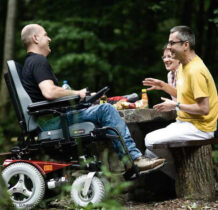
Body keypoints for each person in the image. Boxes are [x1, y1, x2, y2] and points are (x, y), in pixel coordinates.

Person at [20, 23, 165, 173]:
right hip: (53, 122)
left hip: (49, 120)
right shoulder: (38, 61)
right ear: (36, 38)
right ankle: (133, 159)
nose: (49, 39)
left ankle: (127, 162)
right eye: (45, 35)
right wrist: (77, 93)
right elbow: (49, 92)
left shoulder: (30, 63)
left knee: (97, 106)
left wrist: (84, 98)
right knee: (106, 109)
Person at [143, 25, 218, 178]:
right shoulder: (184, 65)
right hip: (186, 122)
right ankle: (179, 177)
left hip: (201, 127)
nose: (169, 47)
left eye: (172, 43)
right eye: (169, 43)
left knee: (150, 140)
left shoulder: (195, 70)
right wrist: (163, 86)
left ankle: (182, 177)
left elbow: (204, 108)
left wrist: (175, 104)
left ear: (185, 45)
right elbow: (185, 95)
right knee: (148, 151)